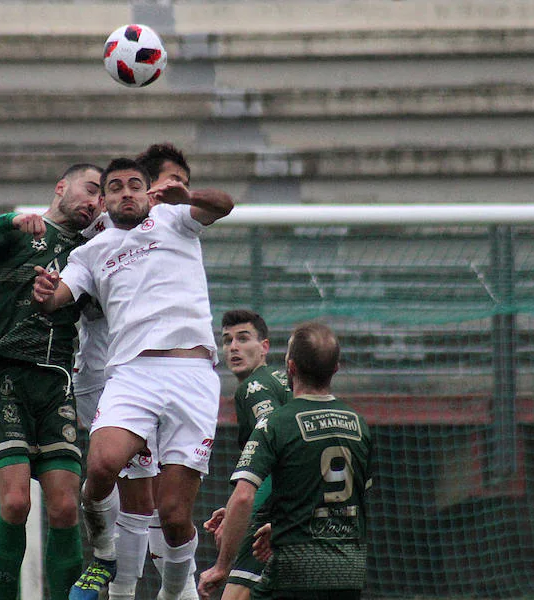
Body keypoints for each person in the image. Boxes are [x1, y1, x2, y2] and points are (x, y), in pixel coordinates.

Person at [32, 157, 233, 600]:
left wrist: (190, 197)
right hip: (131, 373)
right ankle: (105, 555)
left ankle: (174, 594)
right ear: (105, 200)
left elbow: (225, 204)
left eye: (135, 185)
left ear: (148, 192)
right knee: (101, 466)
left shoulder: (173, 218)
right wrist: (47, 294)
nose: (127, 192)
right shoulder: (90, 252)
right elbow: (58, 297)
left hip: (192, 374)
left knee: (176, 515)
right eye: (117, 187)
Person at [0, 163, 103, 600]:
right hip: (4, 375)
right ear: (61, 187)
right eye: (90, 189)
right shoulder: (17, 232)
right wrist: (7, 220)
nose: (93, 201)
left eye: (100, 197)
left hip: (56, 382)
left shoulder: (93, 251)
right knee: (15, 503)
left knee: (67, 507)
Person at [72, 143, 203, 600]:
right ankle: (118, 582)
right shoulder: (96, 229)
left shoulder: (171, 228)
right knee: (130, 489)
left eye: (176, 184)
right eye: (166, 180)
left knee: (167, 509)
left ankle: (175, 586)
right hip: (107, 375)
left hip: (164, 372)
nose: (170, 190)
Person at [198, 322, 374, 600]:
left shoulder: (276, 423)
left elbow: (244, 497)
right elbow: (353, 498)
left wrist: (221, 567)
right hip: (349, 571)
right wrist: (280, 526)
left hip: (296, 568)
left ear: (290, 368)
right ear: (336, 368)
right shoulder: (360, 425)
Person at [202, 309, 292, 600]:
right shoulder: (278, 382)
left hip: (277, 516)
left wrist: (242, 517)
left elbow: (273, 459)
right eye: (227, 341)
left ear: (264, 347)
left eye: (243, 338)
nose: (234, 347)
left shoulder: (254, 389)